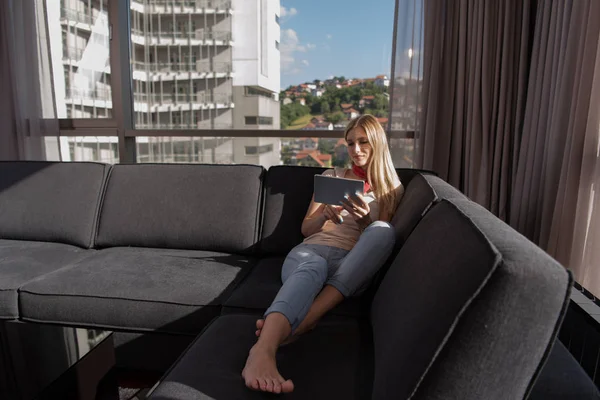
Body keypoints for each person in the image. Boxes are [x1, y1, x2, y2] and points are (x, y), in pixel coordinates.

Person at [242, 114, 404, 394]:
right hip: (311, 251)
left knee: (383, 230)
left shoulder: (391, 189)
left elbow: (377, 245)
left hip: (351, 264)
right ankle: (262, 350)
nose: (355, 150)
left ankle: (302, 322)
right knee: (313, 264)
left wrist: (366, 221)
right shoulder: (332, 177)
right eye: (350, 143)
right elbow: (307, 229)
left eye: (363, 142)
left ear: (377, 142)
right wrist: (325, 215)